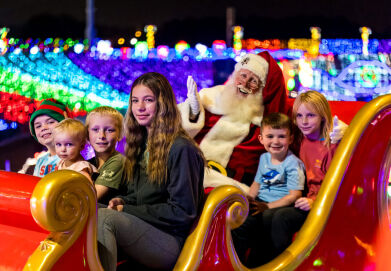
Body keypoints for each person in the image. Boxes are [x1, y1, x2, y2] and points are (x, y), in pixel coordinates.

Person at [97, 72, 205, 271]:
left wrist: (125, 210)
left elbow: (182, 212)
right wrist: (122, 201)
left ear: (163, 104)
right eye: (135, 100)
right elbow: (141, 197)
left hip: (171, 241)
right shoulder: (140, 144)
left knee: (105, 218)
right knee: (90, 210)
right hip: (143, 226)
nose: (140, 107)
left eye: (148, 100)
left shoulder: (181, 148)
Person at [179, 51, 288, 193]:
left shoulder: (260, 121)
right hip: (192, 166)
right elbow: (174, 128)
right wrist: (193, 112)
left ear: (261, 89)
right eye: (243, 75)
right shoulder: (210, 96)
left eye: (253, 80)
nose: (245, 83)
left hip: (223, 181)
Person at [261, 90, 341, 264]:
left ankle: (285, 265)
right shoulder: (302, 140)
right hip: (308, 200)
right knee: (267, 216)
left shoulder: (332, 144)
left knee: (281, 218)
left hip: (326, 206)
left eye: (310, 115)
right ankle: (265, 265)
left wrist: (315, 202)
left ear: (322, 116)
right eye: (299, 116)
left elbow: (338, 186)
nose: (304, 122)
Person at [232, 112, 305, 266]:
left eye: (281, 136)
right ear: (261, 139)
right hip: (261, 203)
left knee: (267, 220)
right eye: (270, 136)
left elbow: (294, 196)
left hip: (280, 205)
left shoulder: (293, 163)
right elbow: (256, 184)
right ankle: (236, 264)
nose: (275, 141)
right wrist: (249, 199)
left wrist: (267, 207)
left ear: (291, 139)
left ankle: (262, 264)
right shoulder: (264, 158)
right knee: (240, 222)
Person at [86, 106, 129, 204]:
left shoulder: (118, 161)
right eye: (95, 129)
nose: (101, 136)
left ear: (120, 134)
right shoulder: (89, 163)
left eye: (109, 130)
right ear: (87, 134)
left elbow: (92, 197)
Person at [29, 99, 70, 177]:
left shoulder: (71, 156)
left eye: (50, 122)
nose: (43, 128)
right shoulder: (40, 162)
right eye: (38, 126)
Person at [53, 119, 97, 183]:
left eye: (68, 144)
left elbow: (89, 188)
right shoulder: (61, 163)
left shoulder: (80, 167)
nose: (63, 149)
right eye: (58, 144)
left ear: (81, 146)